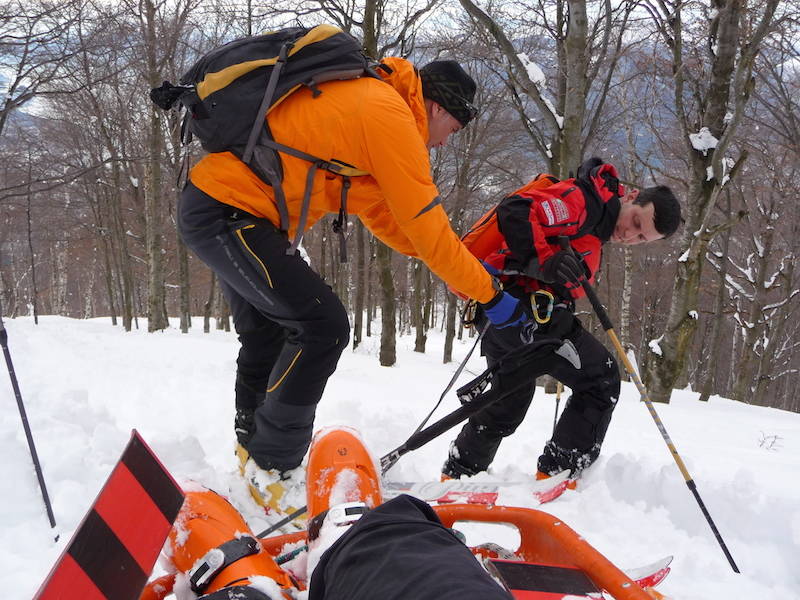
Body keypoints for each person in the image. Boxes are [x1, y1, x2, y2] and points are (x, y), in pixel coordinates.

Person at [177, 57, 528, 516]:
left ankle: (256, 468)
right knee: (322, 326)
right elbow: (427, 228)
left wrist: (470, 269)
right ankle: (271, 467)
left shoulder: (374, 105)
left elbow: (392, 220)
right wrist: (492, 296)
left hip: (227, 208)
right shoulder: (389, 115)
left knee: (269, 331)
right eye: (454, 130)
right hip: (230, 212)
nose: (444, 143)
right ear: (439, 108)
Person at [441, 157, 682, 483]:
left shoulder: (597, 227)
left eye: (642, 239)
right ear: (630, 196)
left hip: (509, 312)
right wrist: (545, 261)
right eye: (637, 223)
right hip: (520, 309)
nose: (630, 235)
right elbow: (516, 210)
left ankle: (458, 475)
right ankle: (558, 474)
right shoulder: (585, 201)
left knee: (510, 397)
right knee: (601, 380)